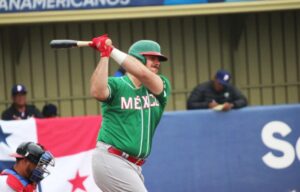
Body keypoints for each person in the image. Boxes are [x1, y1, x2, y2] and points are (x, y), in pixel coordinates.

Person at [89, 35, 171, 191]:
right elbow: (97, 92)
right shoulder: (117, 84)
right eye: (152, 58)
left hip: (134, 166)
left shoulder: (162, 84)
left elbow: (144, 74)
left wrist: (111, 49)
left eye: (158, 59)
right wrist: (105, 55)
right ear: (136, 59)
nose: (157, 62)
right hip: (112, 158)